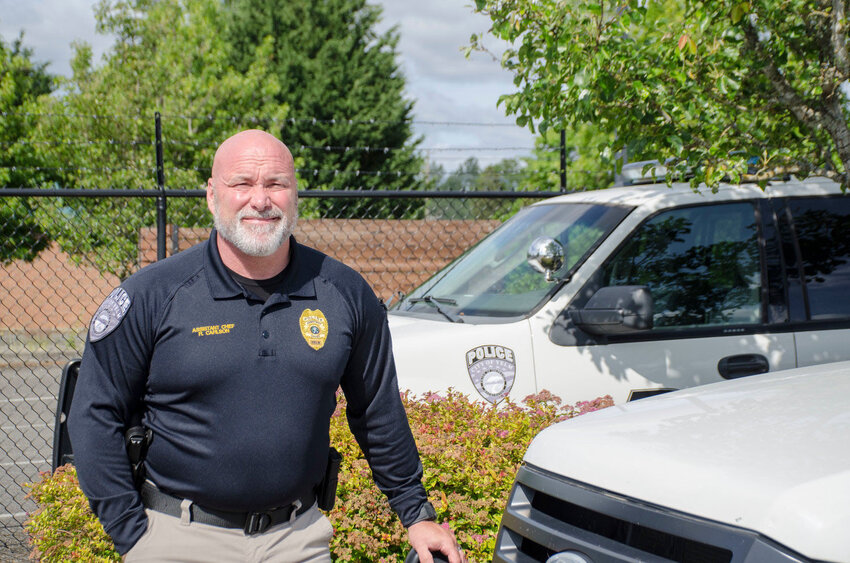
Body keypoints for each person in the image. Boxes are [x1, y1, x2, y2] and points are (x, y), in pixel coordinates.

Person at [68, 129, 464, 563]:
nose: (260, 199)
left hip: (298, 540)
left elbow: (376, 411)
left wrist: (416, 513)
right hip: (178, 539)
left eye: (276, 183)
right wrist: (132, 534)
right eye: (242, 184)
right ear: (212, 194)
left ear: (295, 195)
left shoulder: (344, 293)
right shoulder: (153, 295)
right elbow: (94, 412)